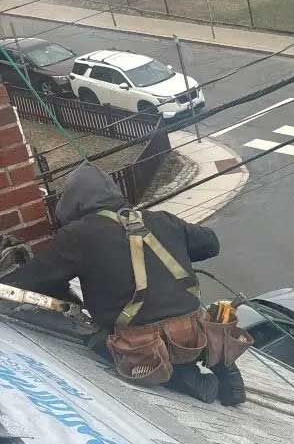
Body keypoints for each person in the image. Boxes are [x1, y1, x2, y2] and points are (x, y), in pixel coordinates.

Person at [6, 164, 250, 406]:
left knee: (93, 337)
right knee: (198, 320)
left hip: (142, 348)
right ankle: (223, 367)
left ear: (72, 204)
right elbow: (210, 244)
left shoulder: (78, 235)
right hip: (194, 334)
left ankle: (184, 378)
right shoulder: (162, 220)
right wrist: (174, 248)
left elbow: (28, 282)